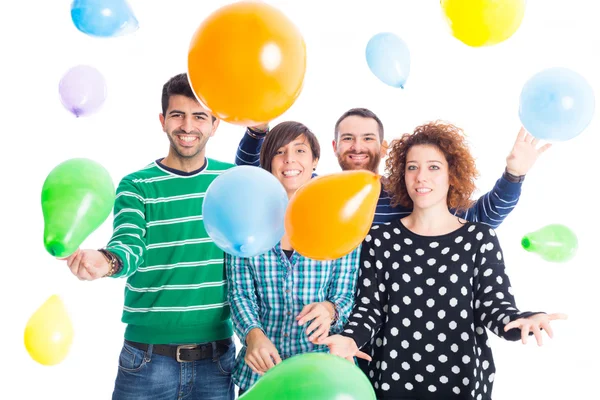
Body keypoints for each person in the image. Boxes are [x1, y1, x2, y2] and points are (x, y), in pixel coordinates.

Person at [319, 121, 567, 400]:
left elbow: (495, 307)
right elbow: (369, 309)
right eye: (412, 167)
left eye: (433, 167)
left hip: (462, 381)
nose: (421, 176)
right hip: (391, 381)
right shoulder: (379, 240)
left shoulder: (480, 239)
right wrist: (349, 338)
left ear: (452, 174)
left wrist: (519, 321)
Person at [61, 73, 236, 400]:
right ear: (162, 120)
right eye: (177, 115)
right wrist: (107, 261)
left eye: (199, 116)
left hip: (217, 361)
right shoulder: (136, 185)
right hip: (147, 360)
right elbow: (129, 243)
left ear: (215, 124)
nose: (187, 126)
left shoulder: (231, 180)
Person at [235, 107, 551, 227]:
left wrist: (514, 174)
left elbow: (482, 218)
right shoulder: (315, 191)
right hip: (334, 329)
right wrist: (257, 130)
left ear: (383, 148)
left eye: (368, 138)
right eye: (348, 138)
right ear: (334, 148)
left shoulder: (409, 194)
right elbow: (250, 177)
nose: (357, 147)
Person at [226, 121, 360, 396]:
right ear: (267, 162)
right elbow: (240, 293)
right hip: (261, 373)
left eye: (300, 150)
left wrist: (330, 310)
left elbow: (346, 294)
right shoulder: (244, 221)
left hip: (323, 374)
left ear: (315, 160)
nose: (290, 160)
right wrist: (254, 335)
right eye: (279, 152)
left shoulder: (340, 221)